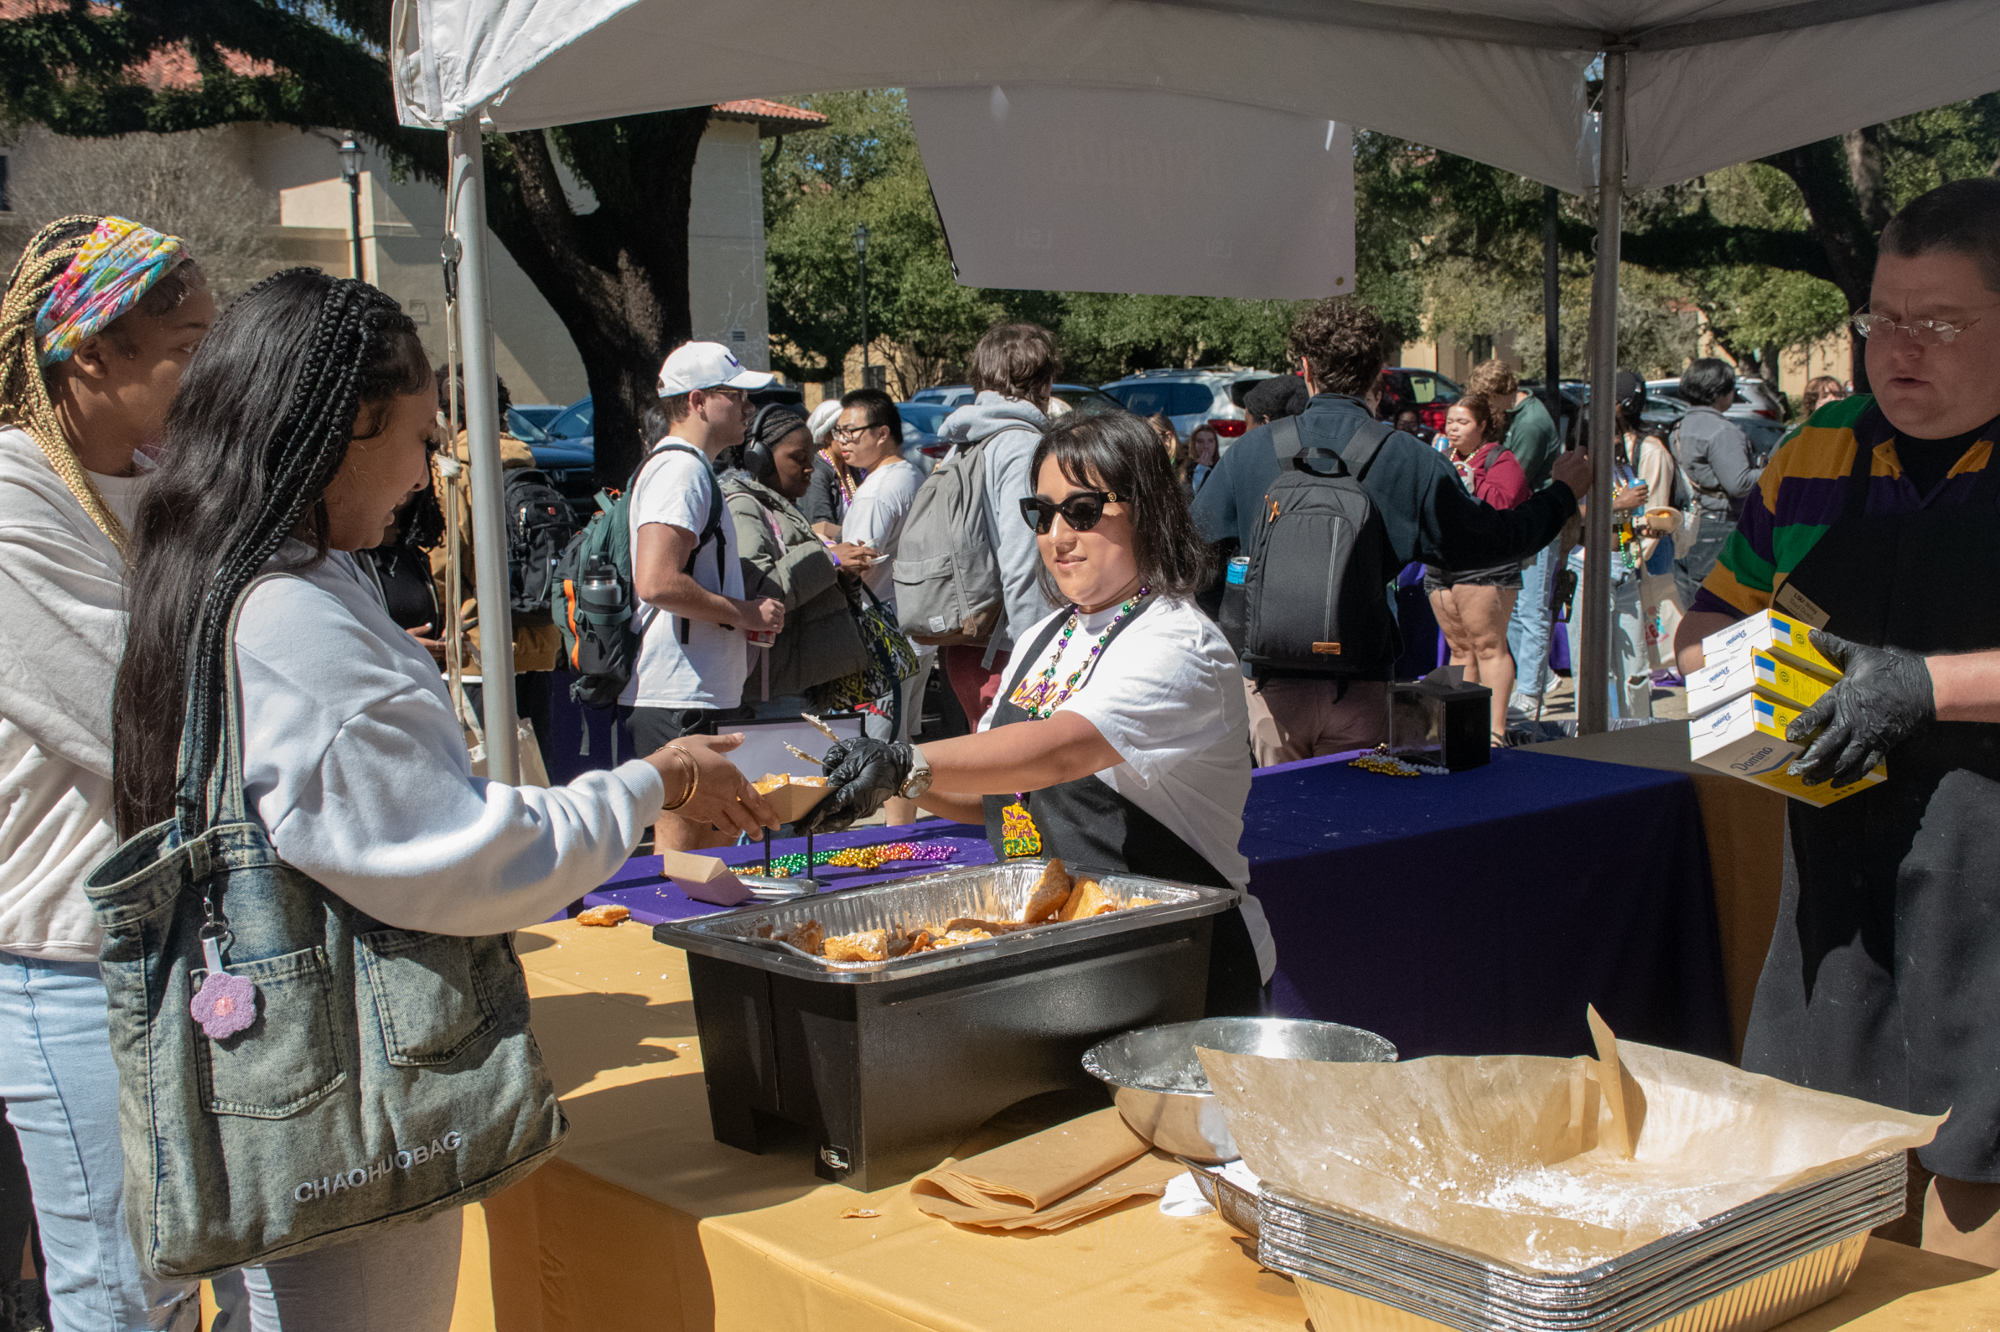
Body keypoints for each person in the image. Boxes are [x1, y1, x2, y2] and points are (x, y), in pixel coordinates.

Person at [111, 270, 779, 1327]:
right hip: (345, 1095)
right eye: (422, 439)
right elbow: (455, 858)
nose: (428, 473)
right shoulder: (289, 614)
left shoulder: (223, 572)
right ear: (342, 429)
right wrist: (659, 779)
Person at [1672, 179, 2000, 1266]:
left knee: (1966, 1236)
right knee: (1825, 1204)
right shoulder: (1816, 452)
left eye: (1937, 325)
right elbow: (1712, 613)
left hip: (1987, 902)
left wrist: (1919, 689)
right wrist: (1735, 685)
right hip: (1838, 898)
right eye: (1880, 321)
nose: (1895, 352)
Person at [799, 409, 1274, 1018]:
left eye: (1082, 510)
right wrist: (905, 782)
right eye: (1041, 514)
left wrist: (903, 759)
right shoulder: (1043, 637)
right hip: (1071, 961)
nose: (1056, 535)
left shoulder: (1179, 642)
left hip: (1183, 964)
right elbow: (1001, 798)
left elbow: (1062, 750)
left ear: (1147, 509)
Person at [0, 215, 213, 1332]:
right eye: (188, 343)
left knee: (185, 1259)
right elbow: (129, 720)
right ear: (90, 355)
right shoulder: (10, 496)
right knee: (120, 1281)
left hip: (187, 938)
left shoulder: (164, 482)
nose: (213, 368)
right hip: (71, 961)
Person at [1191, 298, 1590, 763]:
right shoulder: (1409, 459)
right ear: (1379, 371)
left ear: (1305, 368)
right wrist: (1561, 494)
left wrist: (1242, 624)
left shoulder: (1250, 451)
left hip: (1269, 689)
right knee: (1358, 828)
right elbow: (1494, 542)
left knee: (1279, 824)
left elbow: (1190, 557)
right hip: (1363, 682)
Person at [625, 341, 786, 851]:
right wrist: (743, 613)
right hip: (678, 693)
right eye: (736, 395)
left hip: (684, 690)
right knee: (689, 844)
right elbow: (656, 581)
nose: (748, 407)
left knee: (698, 839)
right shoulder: (682, 470)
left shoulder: (683, 468)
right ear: (697, 401)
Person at [428, 367, 560, 766]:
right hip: (538, 644)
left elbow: (444, 561)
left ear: (444, 415)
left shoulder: (450, 472)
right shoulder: (527, 464)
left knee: (489, 778)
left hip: (476, 649)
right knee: (535, 773)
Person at [936, 324, 1062, 731]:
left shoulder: (965, 441)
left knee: (996, 781)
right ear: (1042, 382)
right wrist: (1039, 658)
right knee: (1021, 788)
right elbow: (1025, 559)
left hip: (966, 644)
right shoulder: (1021, 446)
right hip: (1008, 651)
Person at [719, 405, 870, 719]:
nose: (809, 469)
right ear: (758, 457)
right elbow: (759, 590)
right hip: (774, 691)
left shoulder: (781, 505)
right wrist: (828, 559)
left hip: (797, 681)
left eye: (811, 459)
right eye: (798, 459)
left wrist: (845, 574)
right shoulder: (744, 507)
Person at [837, 386, 933, 821]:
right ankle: (903, 837)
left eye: (851, 431)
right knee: (903, 746)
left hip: (882, 634)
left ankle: (883, 842)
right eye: (839, 432)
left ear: (882, 433)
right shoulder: (911, 475)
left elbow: (858, 562)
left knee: (876, 750)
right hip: (912, 626)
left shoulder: (876, 492)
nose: (843, 441)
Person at [1424, 395, 1528, 743]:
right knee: (1459, 650)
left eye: (1462, 422)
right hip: (1442, 566)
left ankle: (1494, 731)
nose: (1452, 428)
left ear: (1483, 426)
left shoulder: (1501, 459)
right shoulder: (1440, 457)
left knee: (1488, 646)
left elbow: (1503, 502)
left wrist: (1467, 479)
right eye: (1449, 421)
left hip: (1486, 567)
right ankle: (1460, 729)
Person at [1467, 360, 1564, 719]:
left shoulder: (1532, 423)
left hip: (1536, 523)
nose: (1487, 409)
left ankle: (1532, 690)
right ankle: (1540, 678)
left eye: (1489, 400)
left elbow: (1513, 478)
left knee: (1532, 609)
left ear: (1503, 393)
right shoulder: (1518, 416)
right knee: (1520, 611)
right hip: (1523, 523)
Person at [1670, 356, 1761, 608]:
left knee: (1692, 601)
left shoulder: (1679, 426)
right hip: (1720, 528)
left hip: (1689, 526)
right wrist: (1774, 469)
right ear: (1721, 391)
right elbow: (1739, 483)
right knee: (1719, 605)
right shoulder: (1722, 431)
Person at [800, 396, 855, 541]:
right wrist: (854, 532)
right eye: (840, 432)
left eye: (852, 431)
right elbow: (820, 526)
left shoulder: (850, 468)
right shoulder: (817, 472)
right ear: (825, 435)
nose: (848, 439)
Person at [1241, 373, 1309, 430]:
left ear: (1264, 422)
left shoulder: (1251, 445)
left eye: (1247, 423)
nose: (1246, 430)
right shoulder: (1313, 440)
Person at [1185, 422, 1220, 492]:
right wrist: (1200, 470)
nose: (1206, 446)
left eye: (1210, 441)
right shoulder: (1186, 468)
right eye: (1200, 441)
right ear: (1194, 444)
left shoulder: (1222, 465)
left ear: (1215, 443)